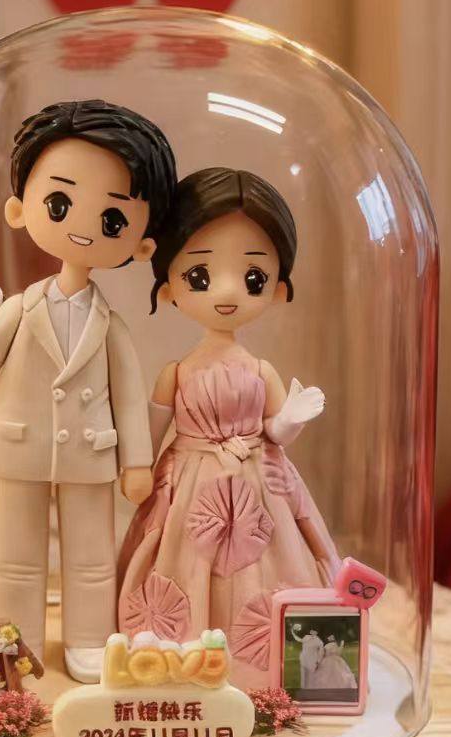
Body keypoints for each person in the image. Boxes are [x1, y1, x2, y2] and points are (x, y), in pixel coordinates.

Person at [0, 101, 178, 681]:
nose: (83, 226)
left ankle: (89, 639)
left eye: (113, 220)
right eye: (59, 203)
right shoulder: (18, 308)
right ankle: (13, 641)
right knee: (13, 559)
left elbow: (130, 399)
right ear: (18, 208)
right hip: (18, 447)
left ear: (142, 245)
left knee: (91, 559)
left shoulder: (111, 327)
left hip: (89, 454)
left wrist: (137, 462)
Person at [116, 168, 343, 690]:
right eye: (199, 276)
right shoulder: (176, 372)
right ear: (169, 288)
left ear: (277, 289)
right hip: (188, 479)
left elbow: (276, 432)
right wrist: (137, 471)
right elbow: (149, 432)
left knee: (268, 562)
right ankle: (180, 650)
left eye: (252, 278)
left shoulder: (261, 369)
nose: (225, 292)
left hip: (258, 479)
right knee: (180, 561)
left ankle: (258, 659)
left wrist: (290, 419)